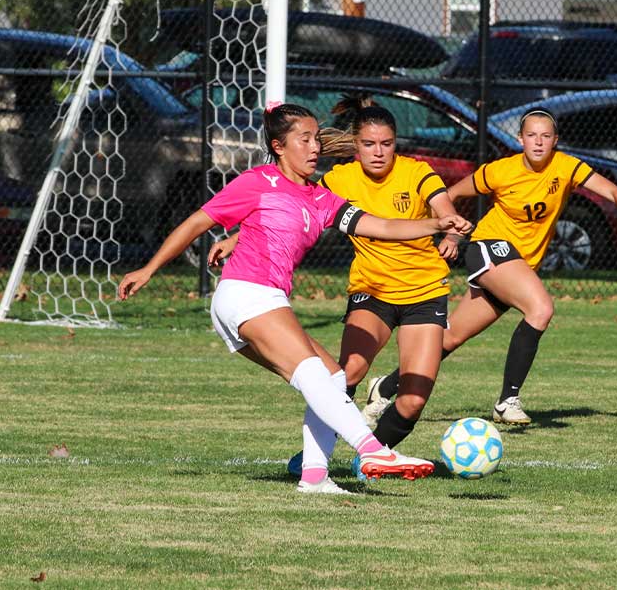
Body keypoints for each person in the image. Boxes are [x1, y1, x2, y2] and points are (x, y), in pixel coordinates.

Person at [118, 102, 473, 494]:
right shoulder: (259, 181)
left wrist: (436, 223)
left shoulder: (320, 199)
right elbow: (199, 221)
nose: (314, 147)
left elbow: (383, 226)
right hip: (246, 294)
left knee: (334, 378)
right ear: (279, 146)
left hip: (265, 300)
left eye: (316, 138)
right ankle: (372, 449)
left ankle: (315, 476)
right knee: (314, 373)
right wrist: (150, 268)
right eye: (303, 139)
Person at [209, 94, 465, 481]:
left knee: (411, 403)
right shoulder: (338, 179)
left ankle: (369, 457)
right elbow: (287, 205)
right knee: (346, 374)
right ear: (355, 147)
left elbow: (443, 207)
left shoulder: (417, 172)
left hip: (424, 292)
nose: (378, 153)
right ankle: (338, 456)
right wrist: (235, 239)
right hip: (372, 292)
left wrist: (449, 229)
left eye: (387, 144)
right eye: (368, 144)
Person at [363, 107, 617, 425]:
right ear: (520, 139)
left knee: (450, 339)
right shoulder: (500, 170)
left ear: (555, 141)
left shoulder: (566, 167)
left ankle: (384, 387)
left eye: (546, 136)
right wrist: (450, 233)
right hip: (489, 248)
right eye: (531, 135)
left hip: (515, 265)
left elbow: (613, 191)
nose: (538, 142)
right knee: (540, 309)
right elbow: (448, 194)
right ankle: (508, 400)